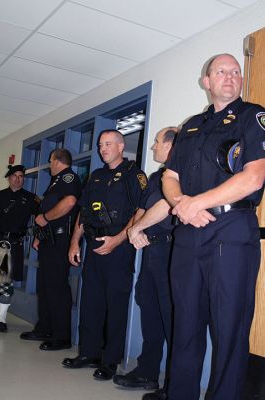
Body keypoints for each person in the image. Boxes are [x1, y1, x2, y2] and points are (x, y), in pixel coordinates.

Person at [162, 54, 265, 400]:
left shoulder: (254, 116)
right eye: (221, 71)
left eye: (236, 71)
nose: (230, 76)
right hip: (189, 234)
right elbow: (170, 177)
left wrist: (197, 202)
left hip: (231, 232)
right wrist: (182, 205)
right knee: (185, 328)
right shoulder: (191, 125)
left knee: (229, 332)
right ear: (206, 81)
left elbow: (254, 176)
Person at [62, 129, 148, 381]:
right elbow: (83, 212)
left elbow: (140, 212)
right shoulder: (95, 176)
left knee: (116, 305)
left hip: (119, 247)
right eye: (100, 145)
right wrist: (74, 243)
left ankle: (110, 361)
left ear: (121, 146)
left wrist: (118, 240)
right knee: (91, 302)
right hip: (93, 244)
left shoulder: (134, 175)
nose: (103, 149)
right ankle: (88, 353)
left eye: (108, 144)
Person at [113, 127, 178, 400]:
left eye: (156, 142)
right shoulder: (155, 176)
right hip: (150, 250)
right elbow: (141, 209)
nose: (152, 147)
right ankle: (147, 372)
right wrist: (132, 231)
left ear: (171, 145)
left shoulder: (180, 173)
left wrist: (137, 229)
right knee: (149, 311)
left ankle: (174, 384)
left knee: (172, 317)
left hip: (170, 250)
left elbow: (164, 204)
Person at [20, 149, 82, 350]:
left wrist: (45, 218)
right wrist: (39, 235)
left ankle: (61, 336)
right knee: (44, 287)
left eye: (50, 161)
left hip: (60, 240)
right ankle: (44, 328)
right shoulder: (56, 181)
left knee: (56, 288)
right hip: (49, 240)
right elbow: (48, 208)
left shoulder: (68, 177)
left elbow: (70, 202)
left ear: (57, 161)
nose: (49, 165)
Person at [0, 165, 39, 332]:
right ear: (9, 178)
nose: (18, 179)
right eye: (15, 176)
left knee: (5, 283)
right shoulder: (0, 196)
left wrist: (37, 236)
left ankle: (0, 319)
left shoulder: (31, 199)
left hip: (13, 245)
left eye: (21, 176)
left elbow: (41, 219)